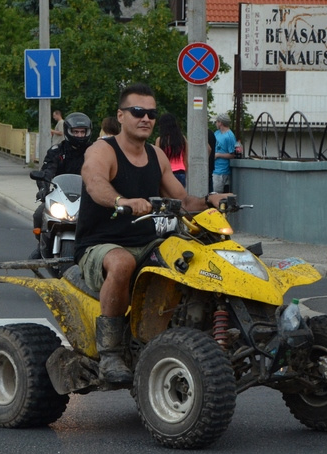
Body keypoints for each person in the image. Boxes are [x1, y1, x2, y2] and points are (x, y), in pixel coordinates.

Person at [74, 83, 231, 384]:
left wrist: (211, 200)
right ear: (120, 116)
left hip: (148, 243)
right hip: (101, 245)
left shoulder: (157, 155)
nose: (145, 118)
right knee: (122, 263)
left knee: (198, 258)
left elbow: (183, 201)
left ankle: (186, 336)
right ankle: (110, 353)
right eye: (137, 112)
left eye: (151, 114)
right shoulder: (102, 150)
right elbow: (95, 183)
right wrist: (123, 202)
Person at [32, 112, 93, 243]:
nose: (79, 135)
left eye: (83, 132)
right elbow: (47, 170)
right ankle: (42, 246)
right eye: (75, 132)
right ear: (68, 131)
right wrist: (44, 188)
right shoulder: (57, 151)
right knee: (39, 215)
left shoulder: (95, 151)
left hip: (88, 196)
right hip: (60, 196)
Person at [154, 112, 188, 187]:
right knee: (180, 197)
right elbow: (185, 159)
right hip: (181, 172)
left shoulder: (160, 141)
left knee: (167, 198)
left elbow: (158, 160)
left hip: (167, 174)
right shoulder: (182, 139)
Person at [211, 112, 236, 193]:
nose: (216, 124)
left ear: (220, 123)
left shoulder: (229, 136)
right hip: (214, 168)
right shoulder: (216, 133)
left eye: (217, 122)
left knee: (217, 194)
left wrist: (218, 155)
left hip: (222, 170)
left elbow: (232, 155)